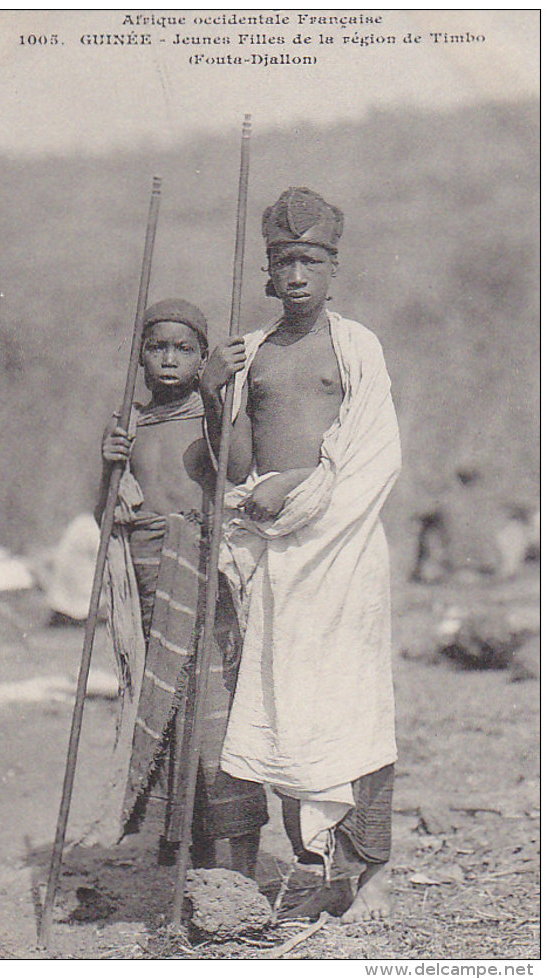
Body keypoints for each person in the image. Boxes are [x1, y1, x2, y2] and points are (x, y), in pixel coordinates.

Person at [200, 188, 402, 921]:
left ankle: (369, 870)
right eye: (284, 261)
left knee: (353, 701)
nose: (297, 274)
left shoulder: (355, 346)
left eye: (310, 260)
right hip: (273, 552)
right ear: (267, 270)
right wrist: (214, 395)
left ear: (333, 267)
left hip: (340, 546)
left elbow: (371, 453)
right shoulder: (251, 354)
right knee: (285, 701)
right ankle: (323, 866)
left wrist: (298, 486)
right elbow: (236, 465)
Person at [87, 298, 267, 878]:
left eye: (184, 349)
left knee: (218, 708)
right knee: (164, 707)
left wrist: (216, 396)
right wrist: (108, 470)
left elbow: (235, 470)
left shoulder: (212, 408)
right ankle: (184, 851)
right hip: (147, 578)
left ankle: (239, 865)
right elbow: (106, 518)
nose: (169, 359)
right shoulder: (129, 424)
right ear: (140, 356)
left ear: (201, 357)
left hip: (202, 571)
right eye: (157, 347)